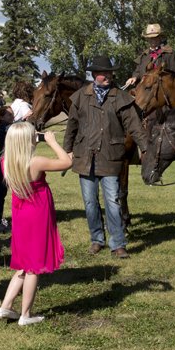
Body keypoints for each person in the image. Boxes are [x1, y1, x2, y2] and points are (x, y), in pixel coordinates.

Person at [63, 55, 147, 259]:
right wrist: (67, 149)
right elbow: (72, 125)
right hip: (85, 157)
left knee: (113, 201)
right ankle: (96, 239)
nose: (108, 76)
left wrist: (145, 148)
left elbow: (135, 127)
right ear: (94, 75)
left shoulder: (121, 97)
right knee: (90, 203)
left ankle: (118, 243)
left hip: (110, 156)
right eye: (103, 73)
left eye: (110, 72)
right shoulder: (80, 96)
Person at [0, 122, 69, 326]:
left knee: (23, 264)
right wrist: (52, 141)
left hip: (20, 215)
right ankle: (26, 314)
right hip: (37, 213)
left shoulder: (5, 161)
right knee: (34, 266)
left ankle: (6, 306)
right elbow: (65, 162)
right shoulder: (36, 162)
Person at [124, 23, 175, 88]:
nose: (153, 40)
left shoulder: (169, 53)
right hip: (145, 88)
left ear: (160, 37)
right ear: (147, 39)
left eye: (155, 37)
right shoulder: (144, 55)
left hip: (165, 89)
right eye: (150, 38)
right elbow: (138, 71)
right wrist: (134, 78)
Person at [0, 106, 15, 234]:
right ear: (2, 117)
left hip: (4, 162)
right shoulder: (5, 127)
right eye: (9, 115)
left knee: (2, 193)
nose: (12, 117)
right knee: (1, 193)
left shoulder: (4, 127)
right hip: (3, 163)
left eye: (13, 114)